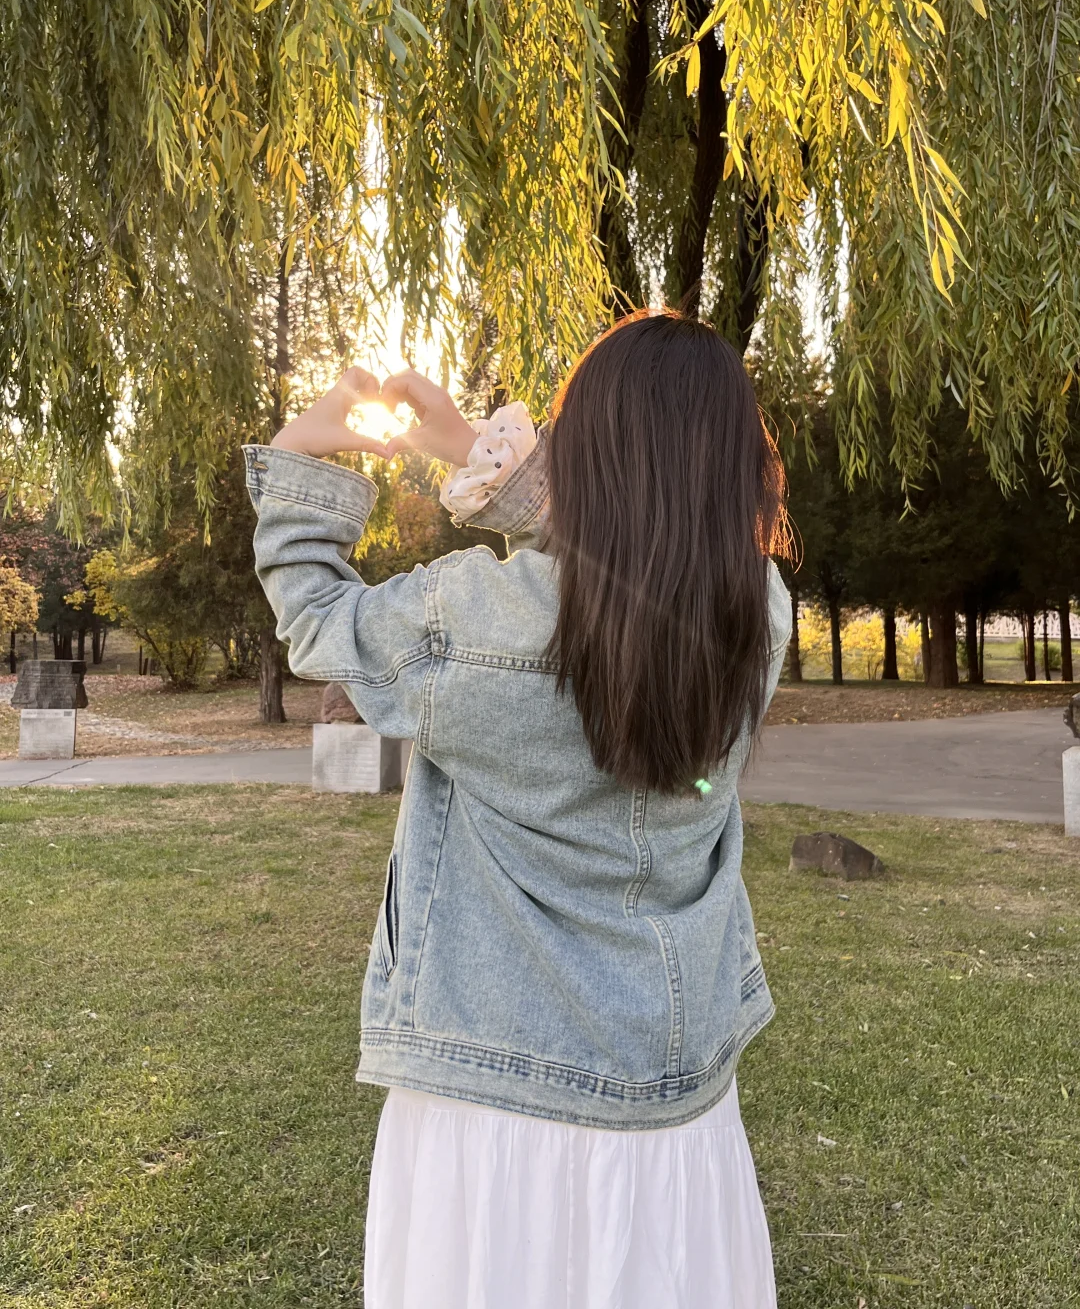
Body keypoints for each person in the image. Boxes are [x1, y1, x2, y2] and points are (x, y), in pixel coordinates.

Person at [243, 309, 792, 1308]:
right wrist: (471, 451)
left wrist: (297, 472)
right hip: (680, 1114)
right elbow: (628, 565)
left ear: (585, 451)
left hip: (490, 1110)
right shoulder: (760, 612)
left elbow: (322, 624)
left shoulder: (468, 621)